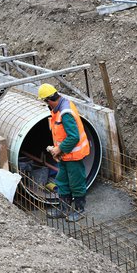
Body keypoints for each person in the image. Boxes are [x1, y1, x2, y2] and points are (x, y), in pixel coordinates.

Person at [38, 83, 90, 222]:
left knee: (76, 183)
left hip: (73, 156)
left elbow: (74, 136)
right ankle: (64, 209)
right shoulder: (59, 108)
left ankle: (80, 210)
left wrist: (59, 149)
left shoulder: (65, 112)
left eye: (45, 102)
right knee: (62, 180)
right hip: (64, 156)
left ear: (48, 100)